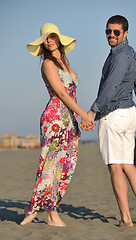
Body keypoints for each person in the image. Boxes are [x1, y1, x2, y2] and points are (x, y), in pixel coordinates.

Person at [81, 15, 136, 227]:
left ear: (125, 33)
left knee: (115, 167)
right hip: (129, 114)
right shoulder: (131, 53)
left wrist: (91, 112)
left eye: (116, 32)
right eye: (108, 31)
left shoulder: (119, 56)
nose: (111, 35)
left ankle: (126, 219)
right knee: (128, 165)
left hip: (113, 115)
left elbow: (110, 87)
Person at [20, 23, 95, 227]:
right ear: (43, 43)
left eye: (52, 36)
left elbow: (70, 94)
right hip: (54, 118)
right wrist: (84, 116)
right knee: (50, 165)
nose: (49, 40)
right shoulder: (48, 64)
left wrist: (77, 119)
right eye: (46, 38)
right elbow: (61, 94)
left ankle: (38, 208)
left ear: (59, 39)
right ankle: (48, 213)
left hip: (68, 118)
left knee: (65, 166)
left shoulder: (65, 62)